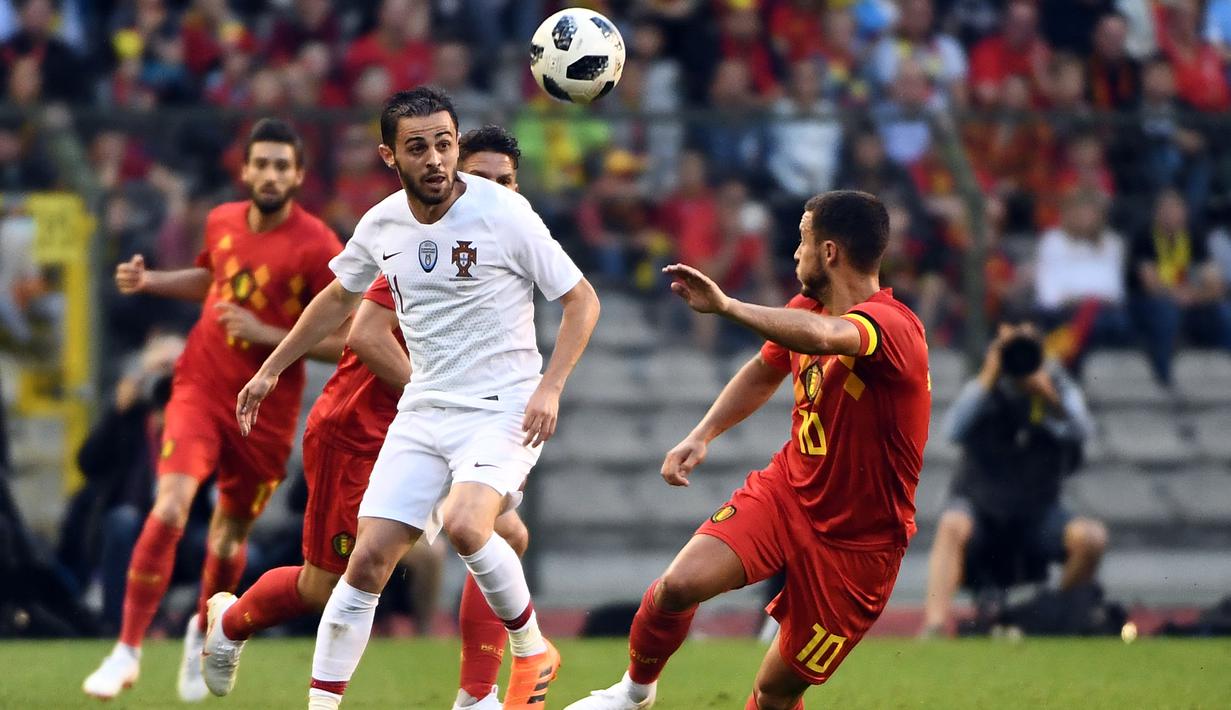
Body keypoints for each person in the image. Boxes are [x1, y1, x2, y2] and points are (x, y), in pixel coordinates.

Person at [234, 87, 600, 710]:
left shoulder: (504, 213)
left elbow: (582, 300)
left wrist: (551, 387)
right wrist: (272, 368)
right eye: (418, 147)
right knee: (367, 563)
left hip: (503, 406)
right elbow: (337, 300)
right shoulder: (381, 224)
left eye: (445, 144)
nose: (435, 159)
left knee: (467, 524)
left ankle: (534, 648)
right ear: (389, 155)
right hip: (426, 407)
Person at [566, 190, 930, 710]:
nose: (794, 253)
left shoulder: (893, 327)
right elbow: (765, 369)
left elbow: (827, 338)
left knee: (774, 693)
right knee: (678, 585)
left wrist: (729, 306)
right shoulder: (807, 305)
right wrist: (702, 434)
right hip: (790, 493)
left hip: (860, 546)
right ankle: (633, 694)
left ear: (829, 252)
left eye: (801, 240)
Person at [82, 119, 347, 702]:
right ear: (246, 170)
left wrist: (264, 331)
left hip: (265, 409)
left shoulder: (318, 244)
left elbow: (349, 335)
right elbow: (213, 278)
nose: (272, 175)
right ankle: (126, 649)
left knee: (228, 540)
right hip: (200, 386)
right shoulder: (222, 220)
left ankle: (204, 633)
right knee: (171, 505)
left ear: (298, 175)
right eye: (263, 164)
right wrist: (150, 281)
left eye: (284, 166)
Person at [920, 323, 1107, 636]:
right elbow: (952, 429)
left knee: (1091, 538)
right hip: (981, 506)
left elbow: (1085, 432)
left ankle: (1049, 617)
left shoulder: (1056, 386)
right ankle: (935, 625)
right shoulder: (984, 385)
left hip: (1038, 511)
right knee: (952, 523)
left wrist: (1049, 398)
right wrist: (990, 375)